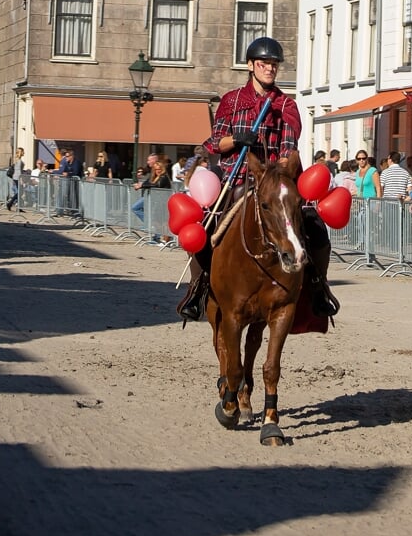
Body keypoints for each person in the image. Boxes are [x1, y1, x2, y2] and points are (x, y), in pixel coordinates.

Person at [177, 36, 336, 323]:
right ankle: (198, 288)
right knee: (204, 224)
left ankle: (318, 287)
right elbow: (214, 143)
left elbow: (289, 147)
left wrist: (278, 172)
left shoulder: (286, 105)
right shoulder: (232, 100)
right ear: (251, 65)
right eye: (264, 64)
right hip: (235, 176)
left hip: (274, 181)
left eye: (274, 65)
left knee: (315, 225)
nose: (270, 69)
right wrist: (238, 138)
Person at [131, 155, 172, 244]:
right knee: (157, 221)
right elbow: (150, 182)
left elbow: (156, 185)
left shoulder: (163, 177)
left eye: (160, 169)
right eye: (156, 169)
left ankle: (166, 240)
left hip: (164, 202)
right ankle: (158, 236)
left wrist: (141, 185)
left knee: (164, 221)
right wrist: (142, 184)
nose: (158, 171)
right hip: (157, 202)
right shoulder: (155, 177)